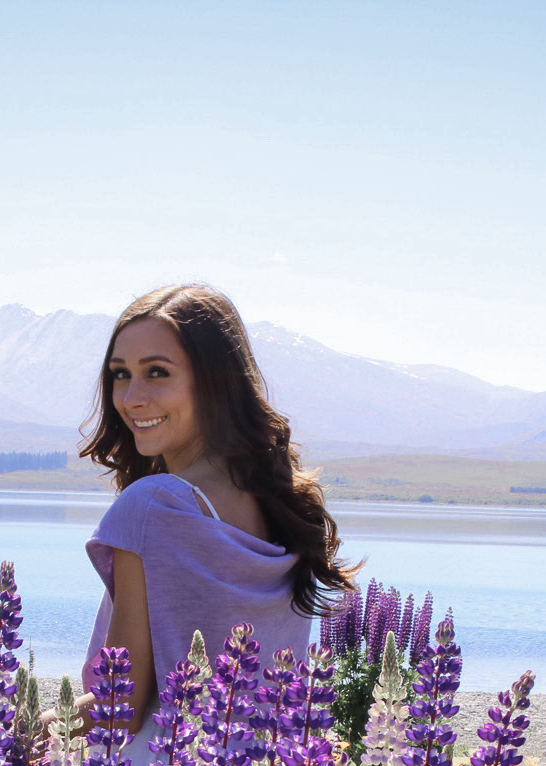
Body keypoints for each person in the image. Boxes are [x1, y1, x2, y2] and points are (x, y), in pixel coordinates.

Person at [77, 283, 356, 741]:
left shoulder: (151, 506)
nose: (131, 398)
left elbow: (119, 704)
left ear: (214, 381)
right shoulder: (280, 502)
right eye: (121, 374)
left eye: (158, 373)